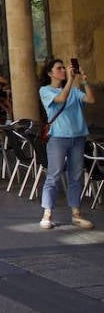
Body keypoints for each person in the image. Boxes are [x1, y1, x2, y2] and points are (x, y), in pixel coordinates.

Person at [37, 58, 95, 230]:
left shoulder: (75, 91)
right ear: (50, 73)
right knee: (53, 175)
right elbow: (61, 99)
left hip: (78, 137)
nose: (63, 70)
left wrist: (84, 80)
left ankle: (76, 213)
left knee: (76, 176)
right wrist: (70, 79)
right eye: (59, 68)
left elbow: (91, 100)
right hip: (58, 138)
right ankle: (47, 213)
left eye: (64, 67)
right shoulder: (45, 90)